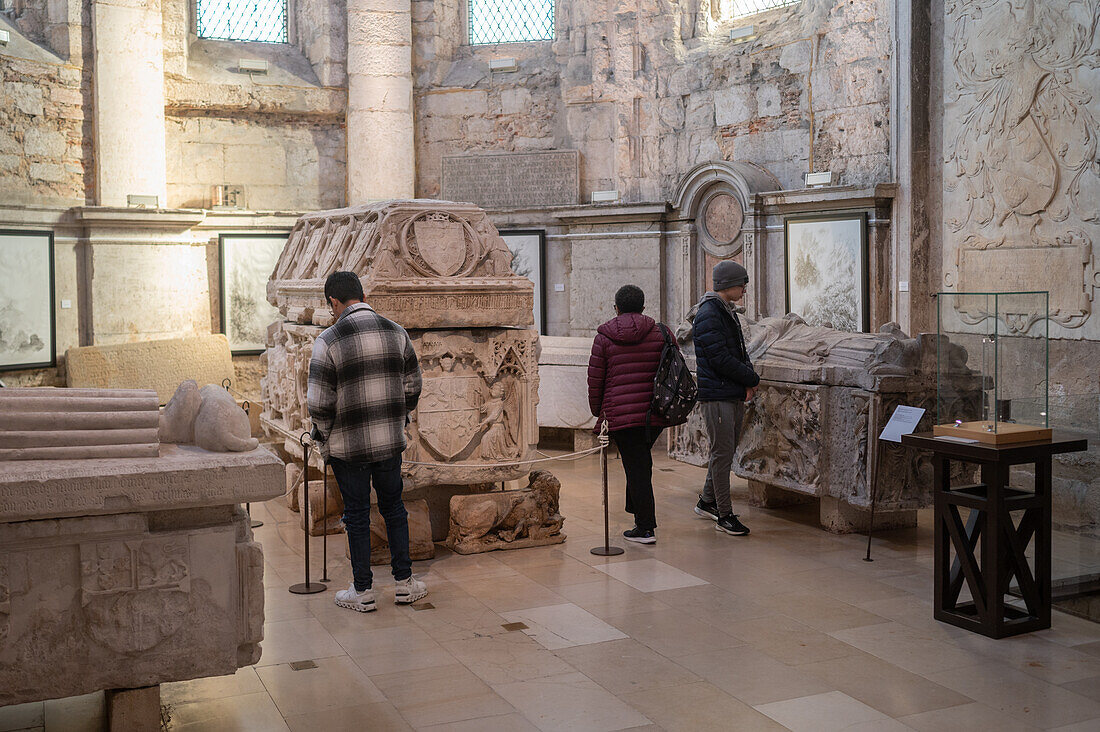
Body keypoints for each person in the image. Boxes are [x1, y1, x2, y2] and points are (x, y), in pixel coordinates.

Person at [307, 271, 428, 612]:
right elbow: (413, 387)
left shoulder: (328, 340)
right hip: (389, 441)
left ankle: (363, 591)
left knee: (357, 515)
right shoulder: (396, 332)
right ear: (361, 294)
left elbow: (318, 403)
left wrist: (328, 433)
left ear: (334, 302)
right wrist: (394, 417)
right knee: (393, 509)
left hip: (348, 447)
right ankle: (404, 584)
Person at [587, 284, 674, 544]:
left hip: (622, 415)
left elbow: (595, 380)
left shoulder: (604, 337)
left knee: (637, 466)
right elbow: (672, 368)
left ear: (616, 308)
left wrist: (598, 412)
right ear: (643, 307)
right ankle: (637, 512)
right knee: (639, 462)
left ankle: (645, 527)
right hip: (654, 412)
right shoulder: (661, 332)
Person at [691, 261, 760, 536]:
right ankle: (724, 514)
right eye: (741, 283)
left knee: (726, 452)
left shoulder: (725, 311)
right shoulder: (709, 312)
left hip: (728, 391)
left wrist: (747, 378)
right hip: (717, 394)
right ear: (727, 284)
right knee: (721, 454)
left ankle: (708, 501)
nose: (744, 288)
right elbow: (720, 358)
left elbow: (739, 352)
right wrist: (750, 378)